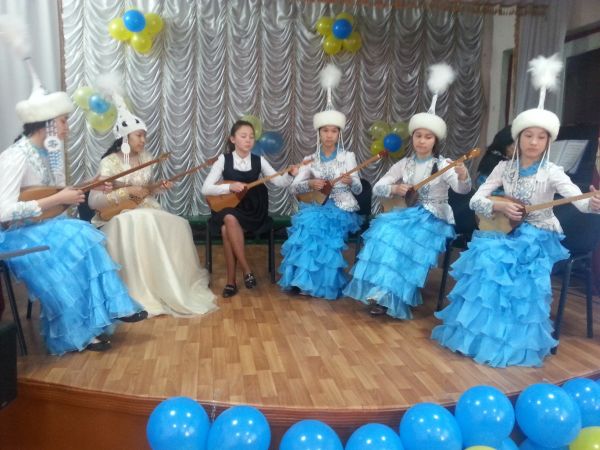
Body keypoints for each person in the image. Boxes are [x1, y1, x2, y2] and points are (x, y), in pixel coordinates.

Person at [432, 54, 600, 368]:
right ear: (518, 139)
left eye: (541, 137)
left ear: (548, 141)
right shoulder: (503, 168)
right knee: (485, 258)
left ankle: (510, 342)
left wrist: (592, 203)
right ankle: (480, 337)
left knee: (517, 272)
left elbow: (578, 200)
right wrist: (499, 204)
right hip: (503, 230)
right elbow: (476, 201)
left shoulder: (553, 171)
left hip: (538, 236)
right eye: (528, 135)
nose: (534, 141)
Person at [0, 61, 146, 355]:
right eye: (63, 121)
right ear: (47, 123)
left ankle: (101, 317)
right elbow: (3, 211)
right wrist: (58, 199)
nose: (67, 127)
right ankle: (80, 330)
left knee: (82, 238)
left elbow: (54, 195)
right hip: (16, 236)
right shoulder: (16, 156)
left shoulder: (47, 154)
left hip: (42, 227)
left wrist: (89, 185)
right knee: (76, 240)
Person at [344, 63, 471, 319]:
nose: (422, 141)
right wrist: (395, 187)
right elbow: (379, 186)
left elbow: (462, 189)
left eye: (428, 137)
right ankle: (382, 292)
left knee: (401, 240)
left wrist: (463, 175)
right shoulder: (405, 163)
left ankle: (391, 296)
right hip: (407, 214)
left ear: (436, 140)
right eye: (418, 135)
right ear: (412, 137)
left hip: (433, 219)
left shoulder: (443, 164)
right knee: (384, 232)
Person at [88, 91, 217, 317]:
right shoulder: (109, 162)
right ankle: (140, 288)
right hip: (118, 214)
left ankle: (169, 285)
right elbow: (95, 200)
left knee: (178, 224)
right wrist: (126, 191)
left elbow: (145, 189)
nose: (143, 140)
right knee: (142, 221)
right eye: (139, 135)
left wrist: (158, 187)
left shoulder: (147, 158)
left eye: (144, 136)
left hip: (145, 206)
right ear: (125, 137)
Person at [278, 64, 363, 300]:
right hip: (317, 206)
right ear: (319, 133)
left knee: (324, 233)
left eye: (333, 131)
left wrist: (350, 180)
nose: (329, 135)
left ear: (339, 134)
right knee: (307, 228)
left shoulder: (348, 157)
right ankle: (301, 281)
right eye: (325, 131)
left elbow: (358, 188)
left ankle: (321, 285)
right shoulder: (310, 159)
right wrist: (310, 185)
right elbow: (293, 189)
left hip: (342, 208)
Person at [201, 120, 296, 298]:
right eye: (243, 136)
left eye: (251, 137)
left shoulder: (259, 160)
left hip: (253, 208)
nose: (248, 140)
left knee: (226, 228)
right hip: (230, 205)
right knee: (228, 219)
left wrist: (290, 174)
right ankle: (246, 270)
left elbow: (279, 182)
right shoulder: (223, 160)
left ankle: (231, 282)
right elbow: (205, 189)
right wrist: (229, 187)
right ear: (233, 139)